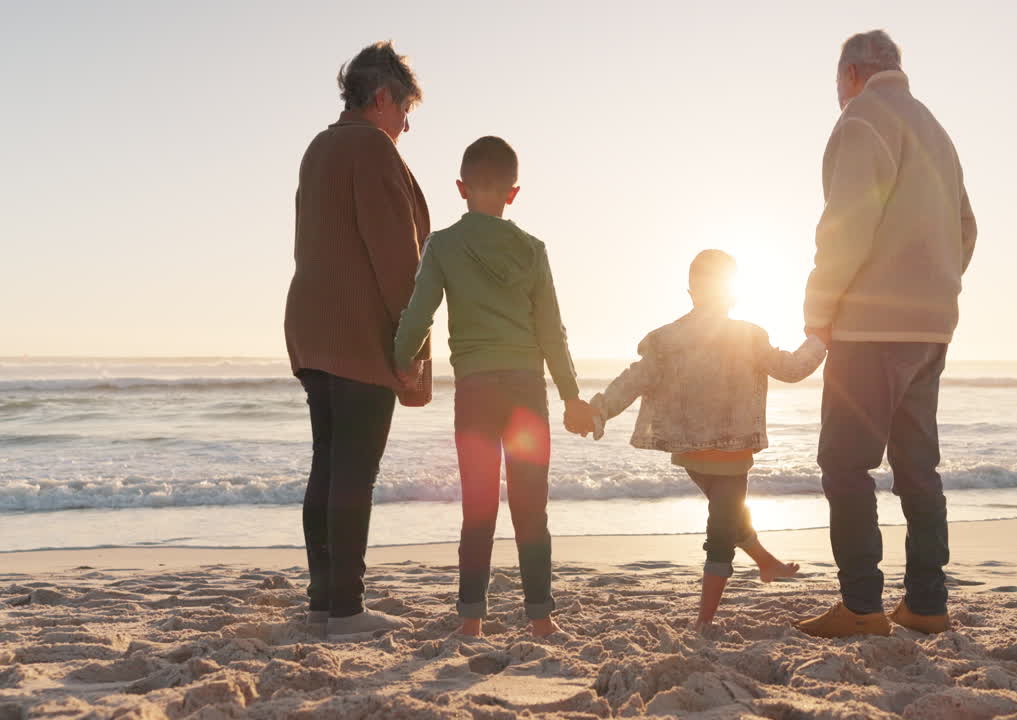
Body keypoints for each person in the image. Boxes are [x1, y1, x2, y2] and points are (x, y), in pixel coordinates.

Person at [795, 30, 977, 638]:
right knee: (918, 467)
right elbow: (967, 226)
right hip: (931, 328)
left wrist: (817, 311)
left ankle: (862, 606)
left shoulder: (862, 120)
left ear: (850, 74)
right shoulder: (934, 129)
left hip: (869, 330)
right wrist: (935, 285)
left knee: (845, 466)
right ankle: (927, 603)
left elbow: (845, 228)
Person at [394, 136, 593, 637]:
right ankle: (541, 619)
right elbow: (553, 331)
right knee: (532, 508)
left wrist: (399, 362)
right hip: (527, 393)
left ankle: (470, 621)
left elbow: (420, 315)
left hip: (477, 393)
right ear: (514, 193)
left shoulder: (442, 245)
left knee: (478, 506)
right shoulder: (533, 250)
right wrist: (571, 396)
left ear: (460, 188)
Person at [589, 250, 824, 628]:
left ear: (690, 292)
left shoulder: (665, 340)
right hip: (732, 451)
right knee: (721, 531)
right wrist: (819, 338)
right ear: (732, 294)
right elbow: (793, 369)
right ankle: (703, 623)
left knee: (725, 514)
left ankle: (766, 563)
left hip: (690, 451)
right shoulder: (749, 336)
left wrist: (599, 410)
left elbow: (634, 379)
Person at [284, 41, 431, 639]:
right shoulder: (371, 149)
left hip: (311, 327)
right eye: (404, 112)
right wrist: (413, 350)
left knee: (328, 464)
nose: (405, 126)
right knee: (353, 472)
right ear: (381, 97)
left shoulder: (319, 147)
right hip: (358, 332)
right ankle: (346, 609)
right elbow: (396, 259)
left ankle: (324, 601)